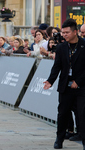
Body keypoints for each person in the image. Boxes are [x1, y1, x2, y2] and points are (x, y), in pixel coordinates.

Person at [43, 18, 85, 150]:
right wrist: (50, 81)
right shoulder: (61, 47)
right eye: (63, 32)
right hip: (65, 86)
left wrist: (78, 81)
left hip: (82, 87)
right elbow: (57, 67)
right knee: (63, 114)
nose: (64, 35)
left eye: (67, 32)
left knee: (82, 115)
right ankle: (59, 139)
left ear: (75, 32)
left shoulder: (84, 45)